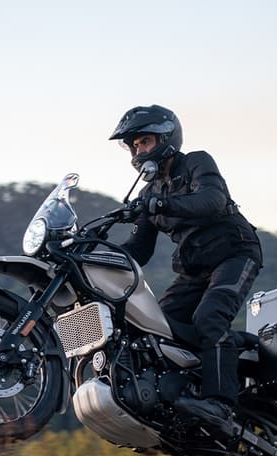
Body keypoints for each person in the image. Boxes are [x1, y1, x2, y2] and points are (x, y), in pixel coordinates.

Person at [109, 104, 263, 436]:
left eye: (145, 141)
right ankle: (183, 400)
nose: (139, 150)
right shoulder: (150, 192)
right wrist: (98, 251)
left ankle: (221, 403)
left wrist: (162, 204)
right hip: (195, 270)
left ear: (166, 138)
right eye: (134, 145)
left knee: (210, 317)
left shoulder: (196, 162)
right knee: (155, 330)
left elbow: (212, 201)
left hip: (234, 254)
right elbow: (139, 250)